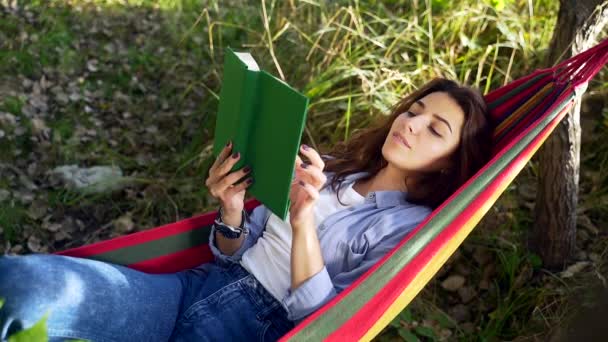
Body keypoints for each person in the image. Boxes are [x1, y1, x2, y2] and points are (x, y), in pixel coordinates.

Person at [0, 78, 493, 341]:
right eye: (414, 111)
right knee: (22, 287)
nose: (411, 124)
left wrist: (302, 223)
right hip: (192, 288)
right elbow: (232, 251)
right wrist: (232, 209)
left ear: (451, 164)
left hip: (256, 327)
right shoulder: (337, 168)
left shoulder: (409, 228)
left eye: (435, 130)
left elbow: (327, 321)